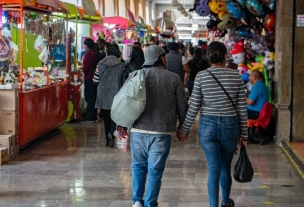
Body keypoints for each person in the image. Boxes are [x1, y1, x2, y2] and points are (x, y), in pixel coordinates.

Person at [177, 41, 248, 207]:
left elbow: (194, 106)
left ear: (208, 56)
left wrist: (184, 129)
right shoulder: (236, 76)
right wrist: (244, 134)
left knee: (213, 169)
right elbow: (242, 109)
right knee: (225, 167)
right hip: (230, 126)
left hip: (207, 126)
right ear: (225, 56)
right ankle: (225, 201)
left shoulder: (201, 76)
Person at [130, 45, 188, 207]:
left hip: (137, 130)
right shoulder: (174, 78)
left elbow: (125, 103)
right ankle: (150, 203)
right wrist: (183, 129)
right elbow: (182, 106)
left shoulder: (135, 75)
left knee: (139, 166)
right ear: (161, 58)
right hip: (161, 131)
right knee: (155, 171)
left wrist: (121, 126)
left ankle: (137, 201)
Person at [94, 47, 124, 147]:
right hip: (116, 93)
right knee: (114, 117)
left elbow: (95, 80)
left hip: (103, 94)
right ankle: (112, 132)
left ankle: (108, 137)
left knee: (106, 118)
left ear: (107, 53)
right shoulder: (121, 65)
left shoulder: (100, 64)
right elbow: (122, 80)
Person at [81, 38, 101, 124]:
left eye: (84, 45)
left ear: (87, 45)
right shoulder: (96, 52)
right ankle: (94, 115)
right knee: (93, 96)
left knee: (89, 97)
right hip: (95, 77)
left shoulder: (89, 54)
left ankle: (90, 117)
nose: (84, 46)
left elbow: (86, 68)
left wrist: (83, 67)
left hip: (89, 77)